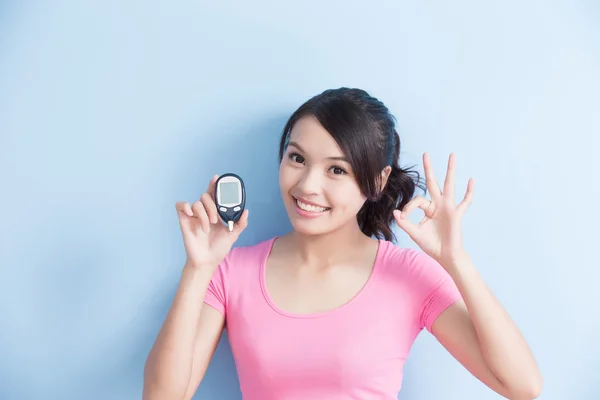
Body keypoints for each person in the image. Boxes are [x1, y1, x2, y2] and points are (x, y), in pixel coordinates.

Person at [143, 88, 543, 400]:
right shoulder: (232, 272)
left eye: (337, 169)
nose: (306, 186)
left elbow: (522, 385)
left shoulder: (407, 275)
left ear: (379, 180)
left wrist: (456, 261)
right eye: (296, 158)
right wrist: (198, 268)